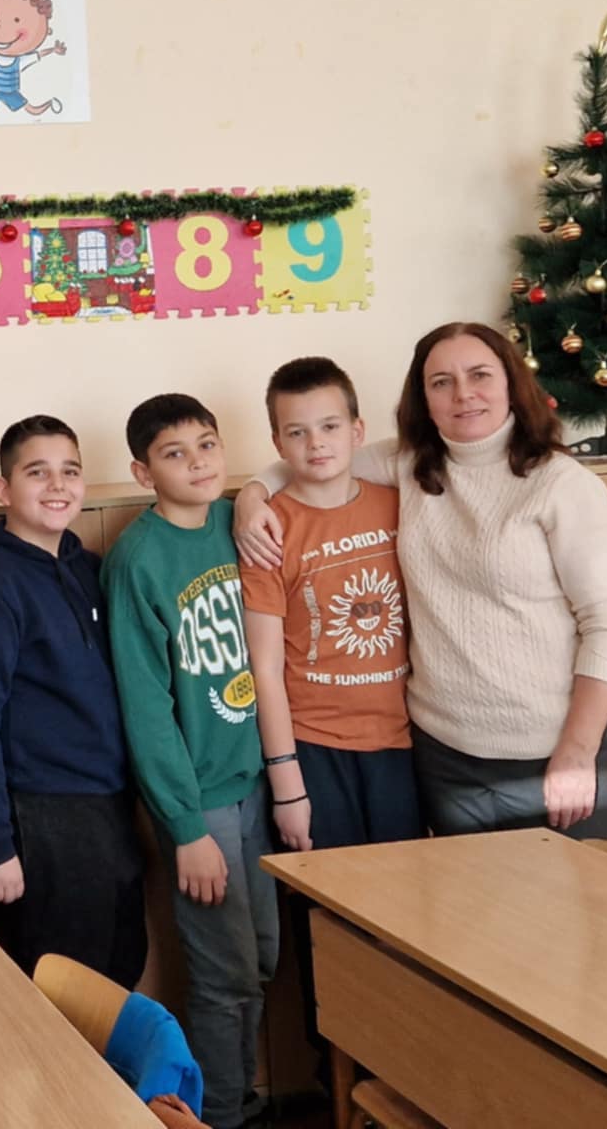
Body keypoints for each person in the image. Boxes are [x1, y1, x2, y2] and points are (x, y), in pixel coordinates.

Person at [235, 322, 607, 841]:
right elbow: (312, 458)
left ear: (511, 382)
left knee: (572, 892)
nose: (463, 394)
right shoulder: (409, 463)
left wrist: (578, 752)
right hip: (443, 755)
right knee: (453, 896)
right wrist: (251, 497)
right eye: (441, 382)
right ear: (423, 398)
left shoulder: (563, 484)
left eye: (479, 375)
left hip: (552, 752)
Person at [238, 357, 417, 1064]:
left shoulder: (398, 503)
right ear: (277, 443)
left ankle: (404, 1069)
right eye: (297, 432)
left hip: (403, 748)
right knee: (331, 927)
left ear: (358, 431)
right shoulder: (268, 528)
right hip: (315, 750)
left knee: (406, 921)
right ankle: (339, 1077)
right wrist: (287, 782)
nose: (316, 444)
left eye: (330, 427)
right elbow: (264, 666)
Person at [105, 394, 273, 1129]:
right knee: (223, 975)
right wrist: (185, 826)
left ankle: (244, 1097)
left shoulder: (237, 522)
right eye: (175, 453)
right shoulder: (137, 560)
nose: (199, 462)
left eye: (208, 444)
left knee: (262, 958)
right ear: (144, 473)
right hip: (199, 800)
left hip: (258, 783)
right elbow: (146, 709)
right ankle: (220, 1117)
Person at [0, 416, 145, 984]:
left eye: (70, 471)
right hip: (40, 813)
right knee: (60, 987)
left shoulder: (88, 569)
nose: (58, 485)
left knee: (118, 972)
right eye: (38, 473)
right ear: (4, 489)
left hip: (107, 804)